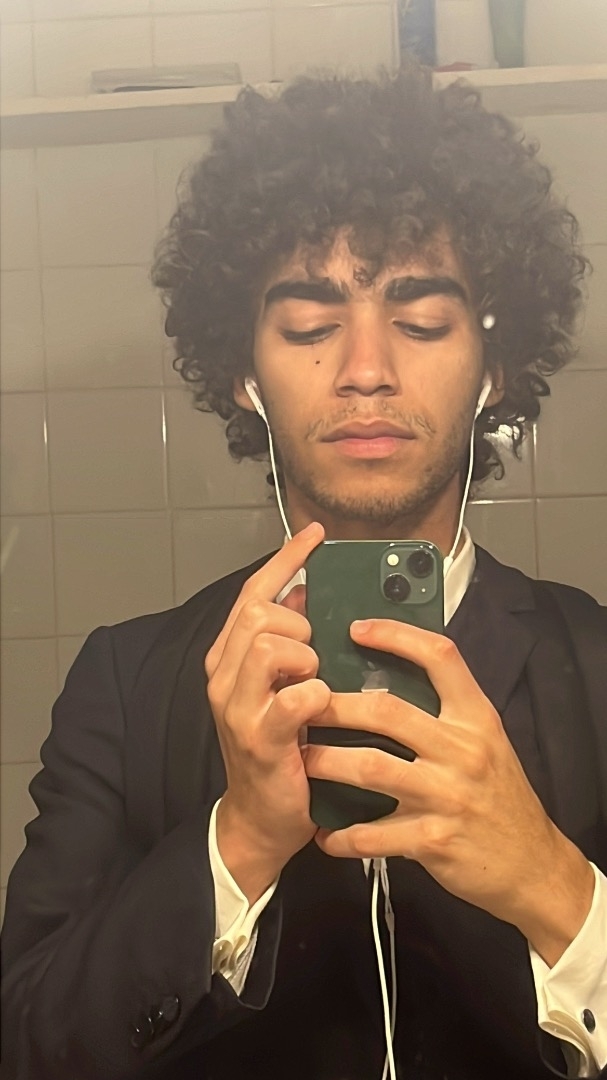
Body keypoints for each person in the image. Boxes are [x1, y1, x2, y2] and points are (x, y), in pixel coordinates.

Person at [1, 66, 605, 1080]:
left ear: (493, 370)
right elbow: (26, 1046)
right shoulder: (127, 683)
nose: (365, 369)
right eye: (309, 327)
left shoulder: (598, 668)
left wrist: (552, 885)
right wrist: (237, 840)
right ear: (244, 373)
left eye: (421, 321)